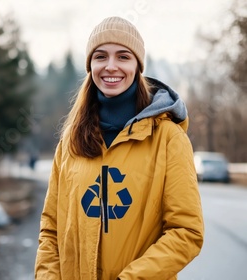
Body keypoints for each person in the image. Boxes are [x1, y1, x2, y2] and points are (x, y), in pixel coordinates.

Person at [34, 16, 204, 280]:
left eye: (123, 56)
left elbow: (186, 232)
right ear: (90, 65)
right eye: (100, 56)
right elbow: (50, 229)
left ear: (138, 66)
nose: (110, 66)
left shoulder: (169, 139)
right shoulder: (70, 142)